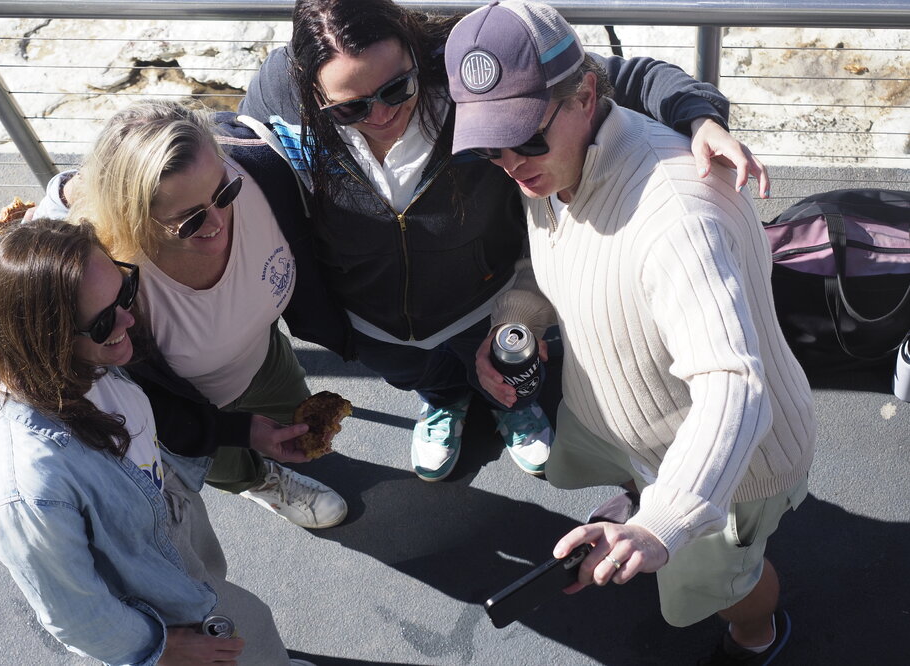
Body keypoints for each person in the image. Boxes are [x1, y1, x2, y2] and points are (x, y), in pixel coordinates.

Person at [238, 0, 771, 483]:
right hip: (372, 316)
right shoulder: (279, 94)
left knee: (512, 369)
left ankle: (515, 408)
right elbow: (232, 157)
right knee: (426, 377)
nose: (380, 116)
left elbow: (616, 78)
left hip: (483, 295)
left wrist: (700, 117)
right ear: (310, 91)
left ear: (413, 53)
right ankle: (444, 404)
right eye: (350, 108)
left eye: (396, 89)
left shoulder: (460, 61)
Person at [446, 1, 814, 663]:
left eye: (525, 137)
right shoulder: (554, 168)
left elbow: (735, 389)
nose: (510, 162)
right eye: (490, 146)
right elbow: (554, 262)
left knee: (725, 583)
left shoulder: (676, 216)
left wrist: (661, 522)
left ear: (584, 94)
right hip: (633, 426)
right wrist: (514, 321)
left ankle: (756, 636)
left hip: (736, 464)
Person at [0, 219, 314, 665]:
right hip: (153, 600)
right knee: (248, 631)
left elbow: (148, 409)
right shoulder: (26, 487)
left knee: (212, 585)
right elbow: (76, 615)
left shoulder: (80, 354)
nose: (129, 316)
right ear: (48, 340)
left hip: (162, 515)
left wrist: (242, 432)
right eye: (104, 320)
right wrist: (158, 649)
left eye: (124, 289)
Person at [30, 100, 347, 530]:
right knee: (228, 464)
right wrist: (233, 433)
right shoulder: (103, 279)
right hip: (191, 407)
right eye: (189, 219)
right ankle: (259, 481)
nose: (218, 221)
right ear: (132, 216)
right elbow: (125, 401)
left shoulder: (257, 169)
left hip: (266, 356)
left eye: (224, 193)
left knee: (294, 413)